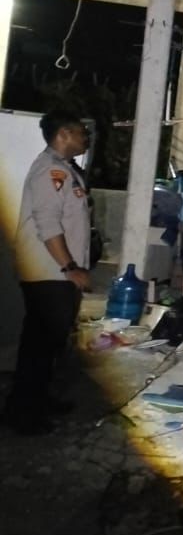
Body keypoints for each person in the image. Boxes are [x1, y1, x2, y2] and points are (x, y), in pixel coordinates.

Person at [0, 110, 92, 435]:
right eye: (81, 132)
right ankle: (22, 414)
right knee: (39, 346)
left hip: (55, 274)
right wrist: (69, 267)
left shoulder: (65, 170)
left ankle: (38, 399)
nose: (86, 137)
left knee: (49, 344)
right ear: (64, 135)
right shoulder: (51, 171)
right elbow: (47, 225)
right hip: (49, 273)